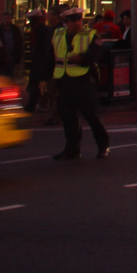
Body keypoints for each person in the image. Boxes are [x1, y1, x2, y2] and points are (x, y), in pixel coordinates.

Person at [51, 9, 109, 160]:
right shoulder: (57, 35)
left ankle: (103, 146)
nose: (77, 23)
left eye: (79, 20)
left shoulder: (89, 34)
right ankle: (72, 149)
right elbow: (49, 56)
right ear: (66, 22)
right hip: (64, 81)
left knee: (92, 116)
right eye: (73, 20)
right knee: (69, 118)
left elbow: (96, 54)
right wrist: (45, 79)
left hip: (83, 81)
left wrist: (82, 58)